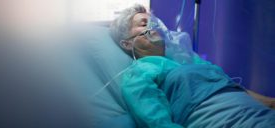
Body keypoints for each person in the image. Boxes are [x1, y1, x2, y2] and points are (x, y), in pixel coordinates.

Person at [109, 4, 275, 128]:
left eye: (153, 22)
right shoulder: (139, 72)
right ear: (127, 44)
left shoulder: (188, 60)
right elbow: (154, 119)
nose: (153, 26)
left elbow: (229, 87)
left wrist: (270, 103)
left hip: (255, 111)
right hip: (222, 119)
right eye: (144, 24)